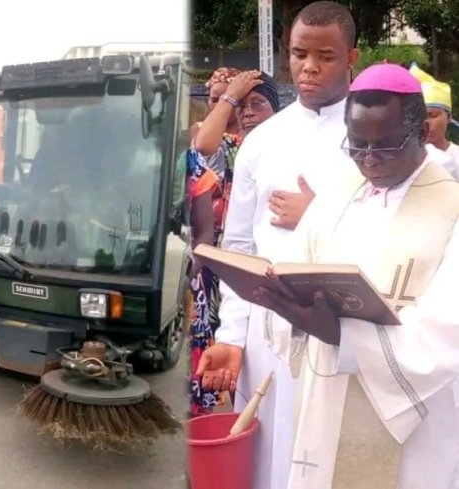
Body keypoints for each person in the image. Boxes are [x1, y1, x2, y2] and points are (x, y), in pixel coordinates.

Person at [257, 63, 459, 489]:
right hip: (325, 399)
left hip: (413, 422)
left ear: (423, 132)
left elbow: (447, 330)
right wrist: (285, 306)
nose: (367, 159)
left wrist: (343, 336)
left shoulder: (452, 209)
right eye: (356, 145)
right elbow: (298, 262)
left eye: (384, 147)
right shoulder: (339, 192)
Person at [196, 2, 361, 488]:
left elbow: (394, 229)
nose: (309, 68)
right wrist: (232, 335)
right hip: (267, 331)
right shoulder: (262, 139)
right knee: (269, 459)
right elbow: (239, 246)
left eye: (325, 57)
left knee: (332, 459)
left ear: (351, 57)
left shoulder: (373, 135)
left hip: (342, 327)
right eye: (299, 54)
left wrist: (318, 215)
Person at [188, 71, 282, 416]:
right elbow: (202, 145)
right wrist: (230, 98)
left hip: (266, 268)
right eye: (240, 105)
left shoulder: (288, 148)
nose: (248, 112)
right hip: (218, 259)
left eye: (258, 103)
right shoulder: (228, 145)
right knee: (225, 336)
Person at [409, 62, 459, 179]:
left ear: (449, 116)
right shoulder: (405, 160)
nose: (425, 123)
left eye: (432, 115)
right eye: (418, 116)